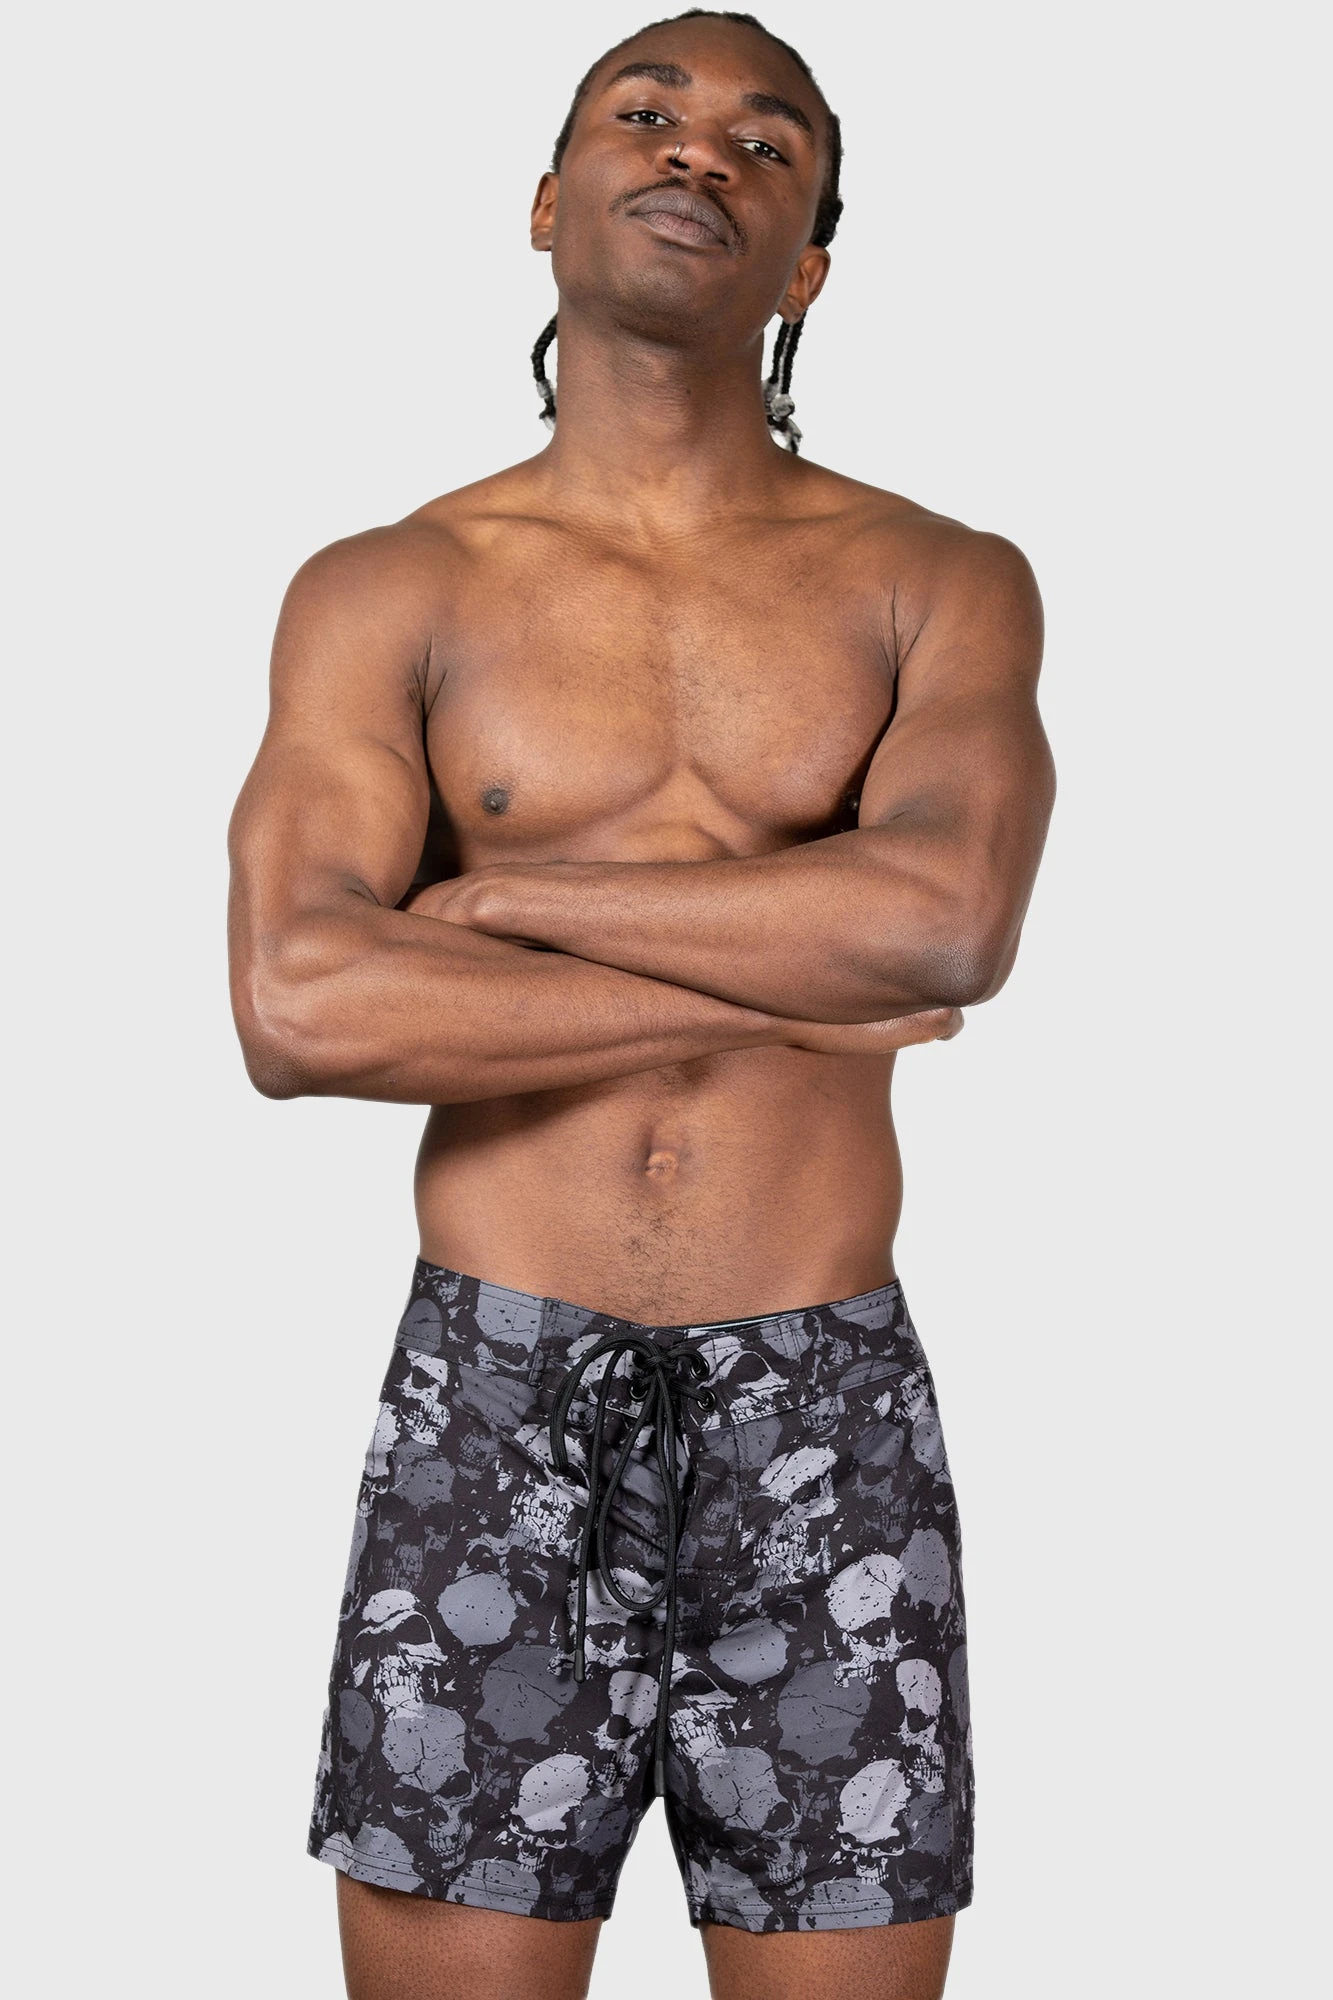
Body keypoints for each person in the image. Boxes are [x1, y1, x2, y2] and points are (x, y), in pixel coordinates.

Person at [227, 10, 1054, 1997]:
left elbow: (946, 921)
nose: (701, 153)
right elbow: (300, 1001)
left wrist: (497, 901)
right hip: (495, 1394)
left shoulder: (938, 580)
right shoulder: (389, 588)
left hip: (822, 1398)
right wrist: (795, 983)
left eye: (769, 143)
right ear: (547, 202)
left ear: (810, 267)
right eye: (648, 113)